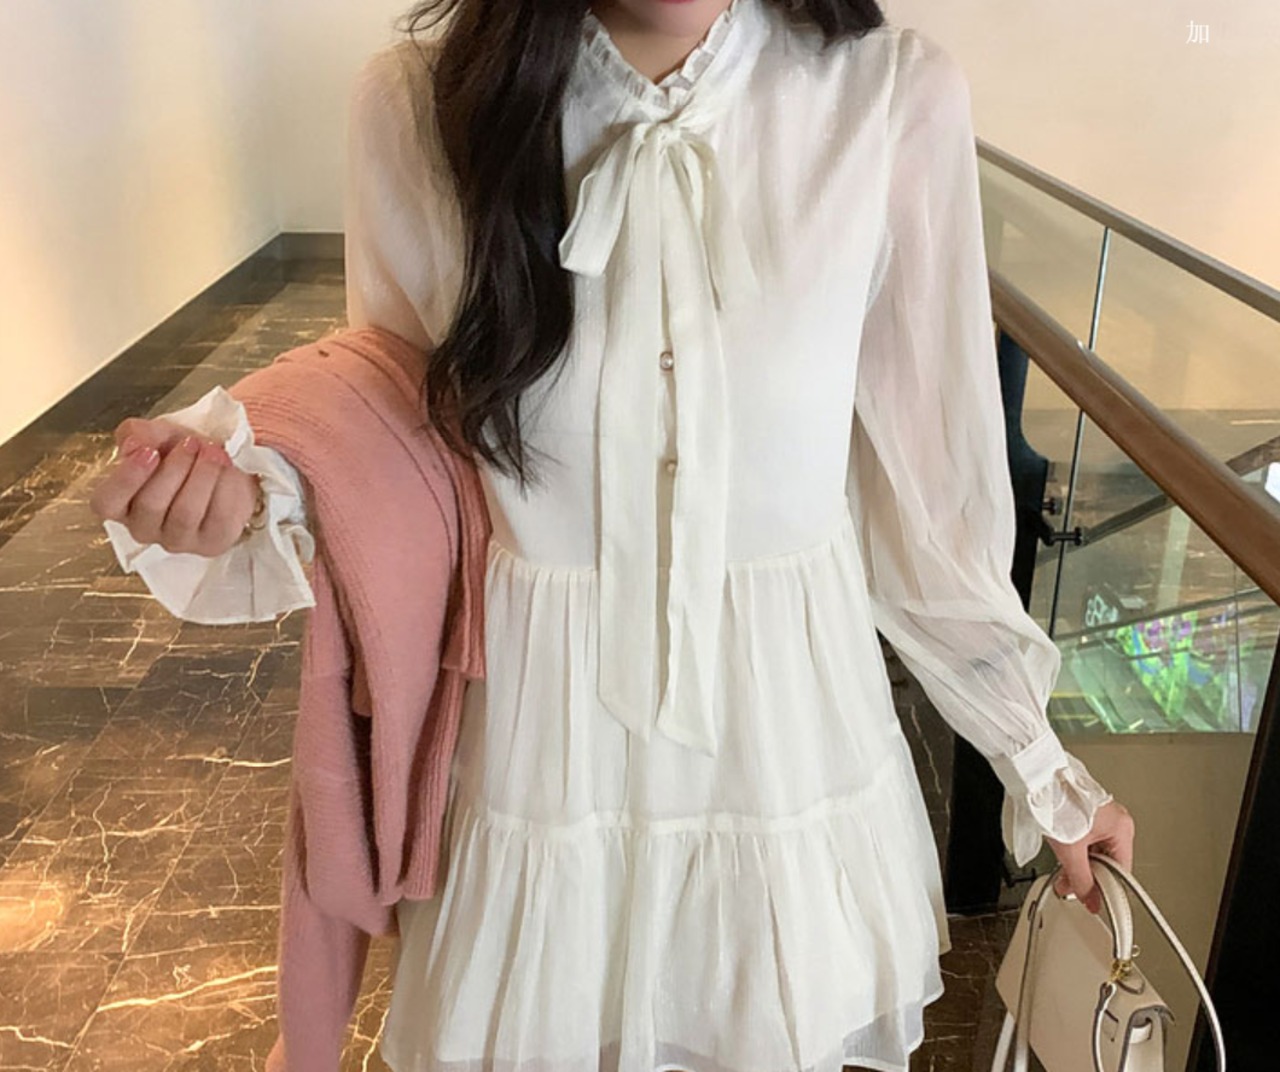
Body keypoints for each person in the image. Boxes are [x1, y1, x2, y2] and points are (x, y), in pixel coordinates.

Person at [90, 1, 1136, 1070]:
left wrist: (1040, 766)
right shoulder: (416, 107)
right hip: (538, 756)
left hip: (783, 753)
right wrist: (256, 484)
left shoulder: (886, 96)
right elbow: (394, 429)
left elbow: (932, 502)